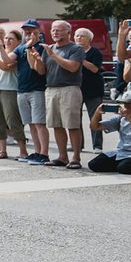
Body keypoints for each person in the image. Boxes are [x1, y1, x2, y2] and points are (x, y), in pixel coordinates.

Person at [30, 20, 85, 169]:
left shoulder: (75, 48)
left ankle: (76, 157)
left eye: (59, 30)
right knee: (56, 124)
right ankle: (62, 157)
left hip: (69, 88)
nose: (55, 33)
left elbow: (73, 67)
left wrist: (53, 55)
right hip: (51, 89)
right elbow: (42, 71)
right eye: (53, 30)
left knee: (72, 125)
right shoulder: (50, 49)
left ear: (68, 32)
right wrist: (37, 60)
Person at [87, 92, 131, 175]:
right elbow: (94, 127)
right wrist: (97, 113)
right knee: (94, 164)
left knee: (125, 168)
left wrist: (130, 118)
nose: (127, 106)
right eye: (125, 103)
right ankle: (123, 165)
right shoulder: (121, 118)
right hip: (122, 151)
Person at [0, 30, 28, 160]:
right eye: (6, 38)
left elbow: (6, 66)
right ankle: (2, 150)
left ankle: (23, 150)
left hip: (9, 90)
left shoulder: (18, 54)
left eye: (11, 39)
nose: (7, 41)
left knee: (13, 121)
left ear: (18, 41)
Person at [15, 20, 49, 163]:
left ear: (38, 31)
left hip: (37, 89)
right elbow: (7, 61)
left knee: (39, 123)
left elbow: (38, 69)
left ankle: (44, 154)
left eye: (31, 30)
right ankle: (36, 151)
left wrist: (30, 47)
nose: (28, 33)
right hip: (22, 89)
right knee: (31, 123)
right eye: (26, 30)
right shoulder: (20, 48)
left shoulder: (42, 47)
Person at [75, 27, 104, 152]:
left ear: (89, 39)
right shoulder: (72, 51)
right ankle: (78, 144)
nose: (79, 38)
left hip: (93, 89)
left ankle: (97, 145)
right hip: (76, 88)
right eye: (77, 35)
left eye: (82, 36)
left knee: (95, 117)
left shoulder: (95, 52)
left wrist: (81, 59)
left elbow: (95, 69)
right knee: (76, 118)